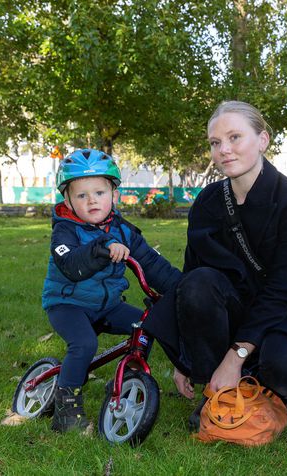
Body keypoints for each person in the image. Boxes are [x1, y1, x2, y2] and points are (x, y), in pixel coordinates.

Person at [144, 101, 287, 425]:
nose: (224, 150)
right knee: (197, 283)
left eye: (235, 137)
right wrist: (185, 355)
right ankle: (215, 392)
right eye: (215, 143)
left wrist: (235, 357)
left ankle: (249, 372)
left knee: (286, 373)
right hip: (236, 302)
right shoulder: (207, 202)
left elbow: (283, 291)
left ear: (262, 140)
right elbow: (194, 277)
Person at [41, 148, 181, 433]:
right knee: (84, 345)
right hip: (68, 305)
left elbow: (154, 266)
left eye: (100, 193)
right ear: (67, 200)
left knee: (146, 324)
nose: (92, 200)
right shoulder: (64, 231)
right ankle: (66, 406)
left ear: (114, 195)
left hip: (106, 305)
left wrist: (184, 289)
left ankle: (127, 380)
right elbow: (70, 265)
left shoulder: (123, 230)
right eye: (81, 195)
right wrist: (102, 249)